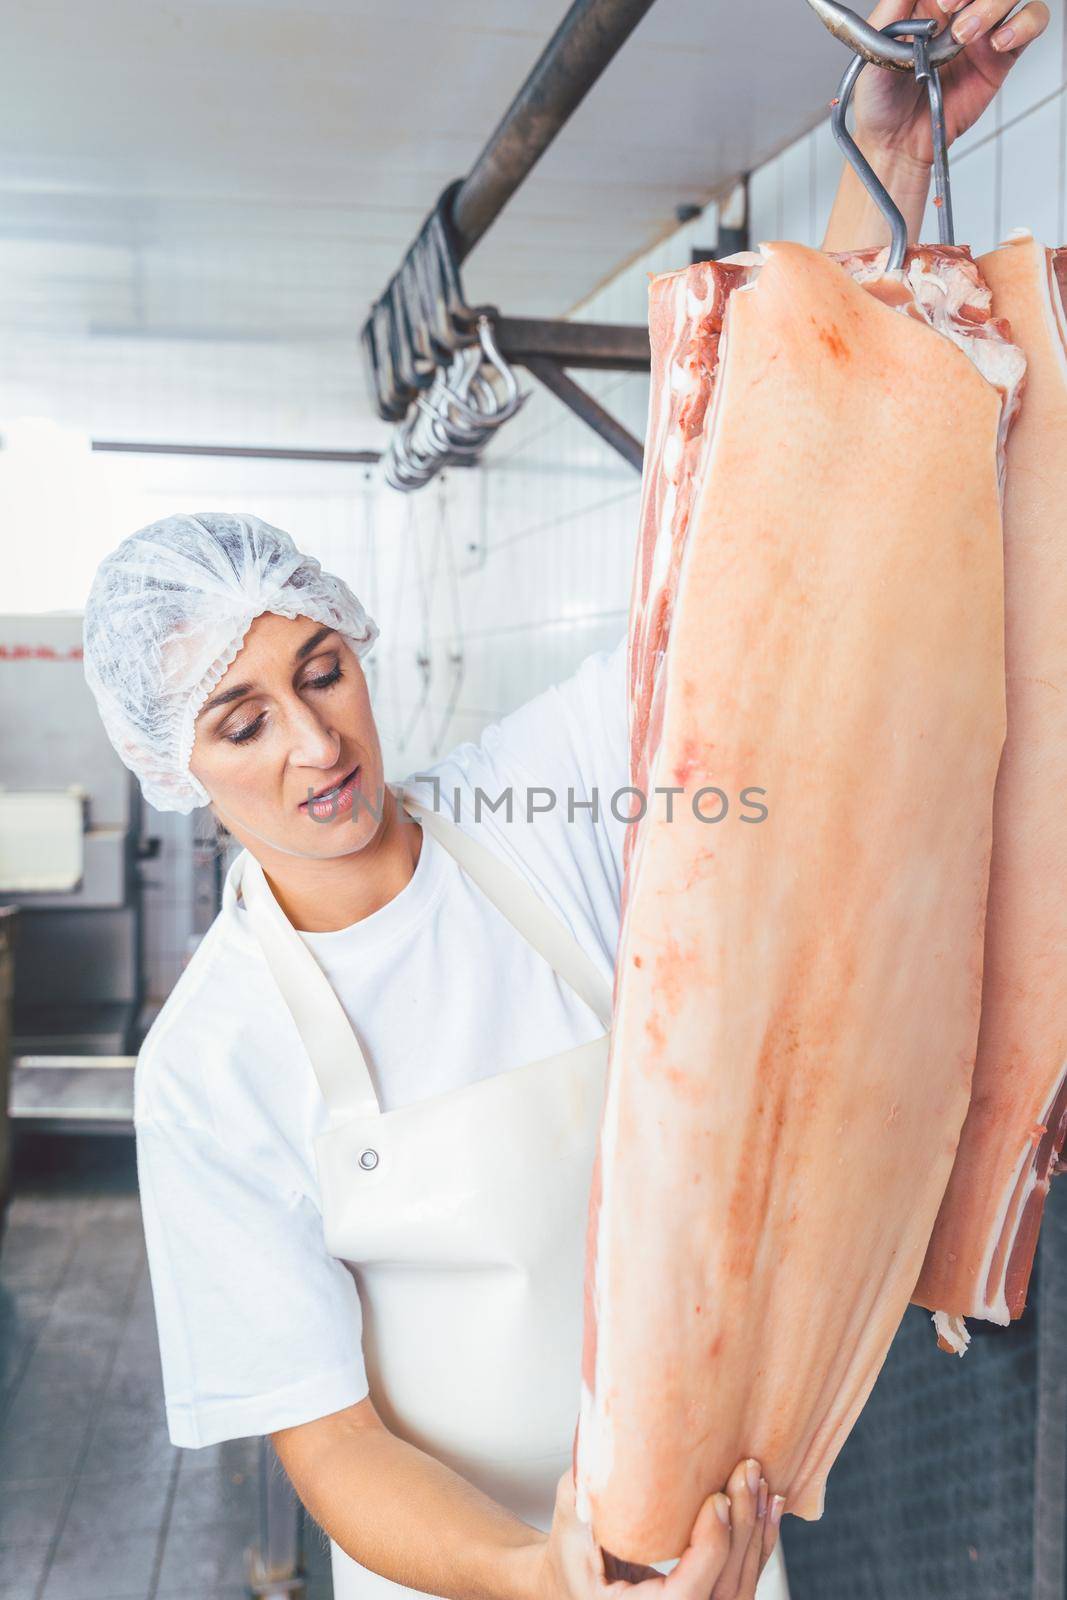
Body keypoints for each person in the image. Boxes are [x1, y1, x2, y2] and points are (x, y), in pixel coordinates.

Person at [81, 8, 1047, 1598]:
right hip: (484, 1582)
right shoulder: (211, 1065)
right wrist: (546, 1578)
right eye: (240, 722)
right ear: (178, 769)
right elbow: (327, 1445)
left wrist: (884, 152)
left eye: (321, 672)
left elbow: (767, 544)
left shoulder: (532, 813)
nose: (313, 745)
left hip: (717, 1549)